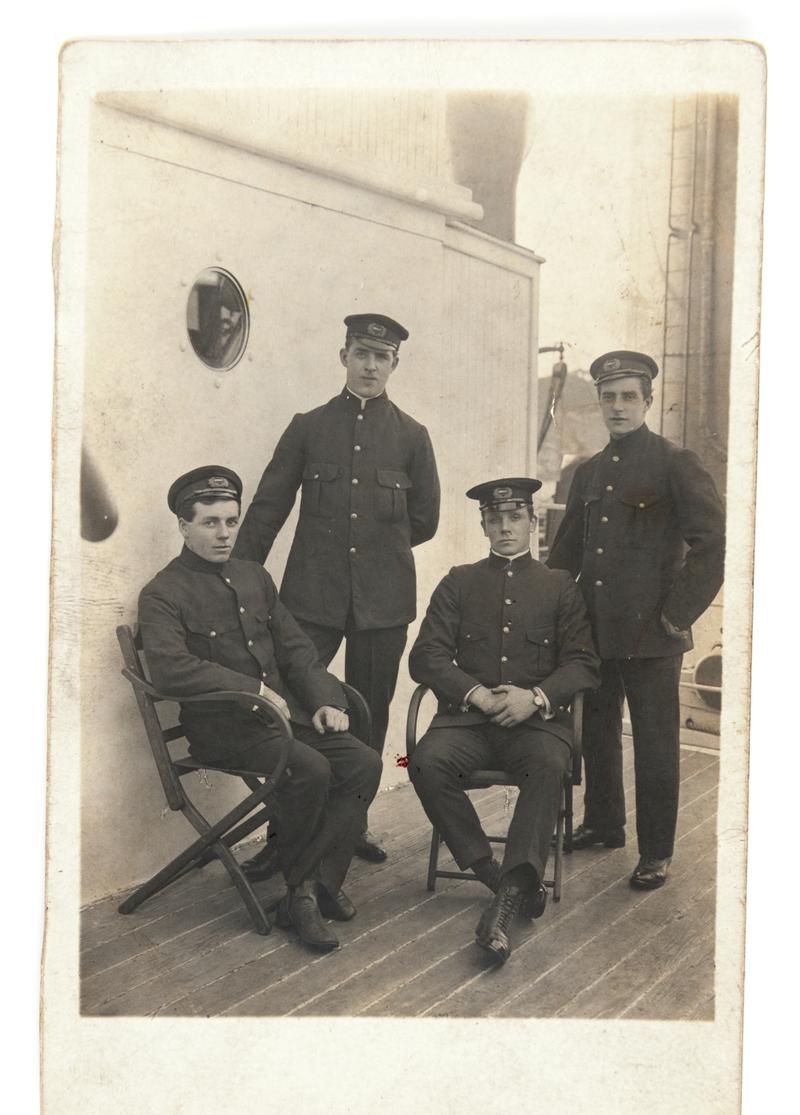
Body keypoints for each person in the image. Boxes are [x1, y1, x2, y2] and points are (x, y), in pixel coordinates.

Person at [137, 466, 383, 953]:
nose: (224, 533)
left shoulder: (254, 577)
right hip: (224, 730)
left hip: (283, 721)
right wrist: (252, 687)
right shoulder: (163, 593)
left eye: (231, 521)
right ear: (184, 528)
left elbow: (296, 652)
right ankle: (307, 894)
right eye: (210, 523)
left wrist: (326, 700)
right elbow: (170, 670)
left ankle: (311, 888)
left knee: (364, 762)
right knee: (310, 768)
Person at [233, 313, 440, 869]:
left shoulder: (413, 437)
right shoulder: (308, 426)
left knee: (368, 717)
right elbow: (268, 507)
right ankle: (283, 836)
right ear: (343, 356)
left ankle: (352, 828)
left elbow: (425, 520)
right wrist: (241, 578)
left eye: (382, 357)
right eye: (361, 354)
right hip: (311, 599)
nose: (371, 365)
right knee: (297, 709)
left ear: (395, 364)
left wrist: (374, 553)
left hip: (383, 604)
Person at [547, 351, 726, 890]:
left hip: (653, 634)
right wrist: (552, 615)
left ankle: (656, 852)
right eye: (609, 397)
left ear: (648, 401)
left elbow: (713, 544)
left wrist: (677, 613)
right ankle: (604, 823)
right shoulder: (588, 472)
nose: (618, 406)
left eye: (629, 396)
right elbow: (564, 557)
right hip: (596, 632)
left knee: (654, 743)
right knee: (596, 733)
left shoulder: (675, 462)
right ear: (599, 402)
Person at [408, 478, 600, 966]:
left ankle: (504, 902)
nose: (505, 528)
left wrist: (536, 697)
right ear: (483, 525)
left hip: (535, 729)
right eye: (496, 519)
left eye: (515, 518)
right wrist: (473, 693)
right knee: (423, 761)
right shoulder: (459, 580)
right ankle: (499, 879)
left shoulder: (560, 587)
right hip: (466, 727)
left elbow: (582, 663)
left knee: (548, 766)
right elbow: (426, 655)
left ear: (532, 523)